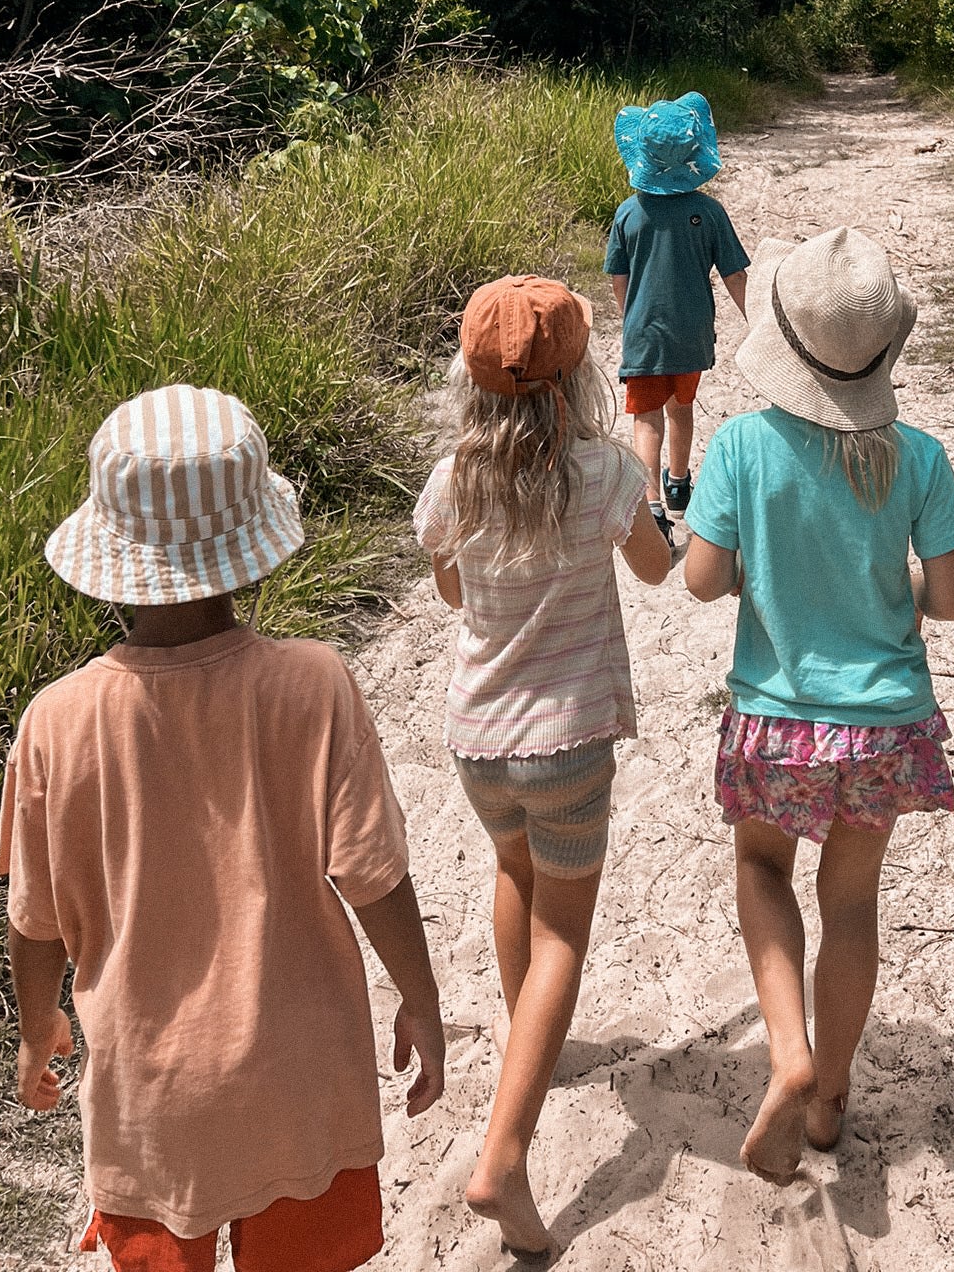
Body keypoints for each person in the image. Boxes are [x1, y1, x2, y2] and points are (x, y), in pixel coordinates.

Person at [0, 385, 446, 1272]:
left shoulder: (56, 722)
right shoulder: (313, 684)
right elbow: (374, 876)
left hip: (149, 1103)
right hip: (299, 1082)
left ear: (112, 557)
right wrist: (422, 999)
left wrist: (35, 1023)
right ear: (250, 551)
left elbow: (35, 920)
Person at [682, 227, 954, 1186]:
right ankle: (830, 1095)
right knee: (851, 902)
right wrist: (903, 591)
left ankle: (787, 1051)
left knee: (761, 869)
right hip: (884, 725)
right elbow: (951, 599)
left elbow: (701, 579)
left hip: (775, 721)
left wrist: (762, 574)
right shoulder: (920, 458)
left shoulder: (740, 447)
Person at [413, 275, 672, 1255]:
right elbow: (654, 568)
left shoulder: (454, 481)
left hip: (478, 737)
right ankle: (505, 1156)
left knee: (512, 873)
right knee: (565, 925)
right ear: (575, 379)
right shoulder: (604, 471)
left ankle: (530, 1041)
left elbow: (451, 593)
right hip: (568, 738)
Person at [604, 90, 751, 552]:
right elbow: (734, 275)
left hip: (644, 335)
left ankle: (653, 508)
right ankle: (679, 483)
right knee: (681, 406)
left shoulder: (629, 213)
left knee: (646, 419)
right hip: (692, 333)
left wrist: (630, 319)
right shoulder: (708, 212)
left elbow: (619, 278)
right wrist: (758, 321)